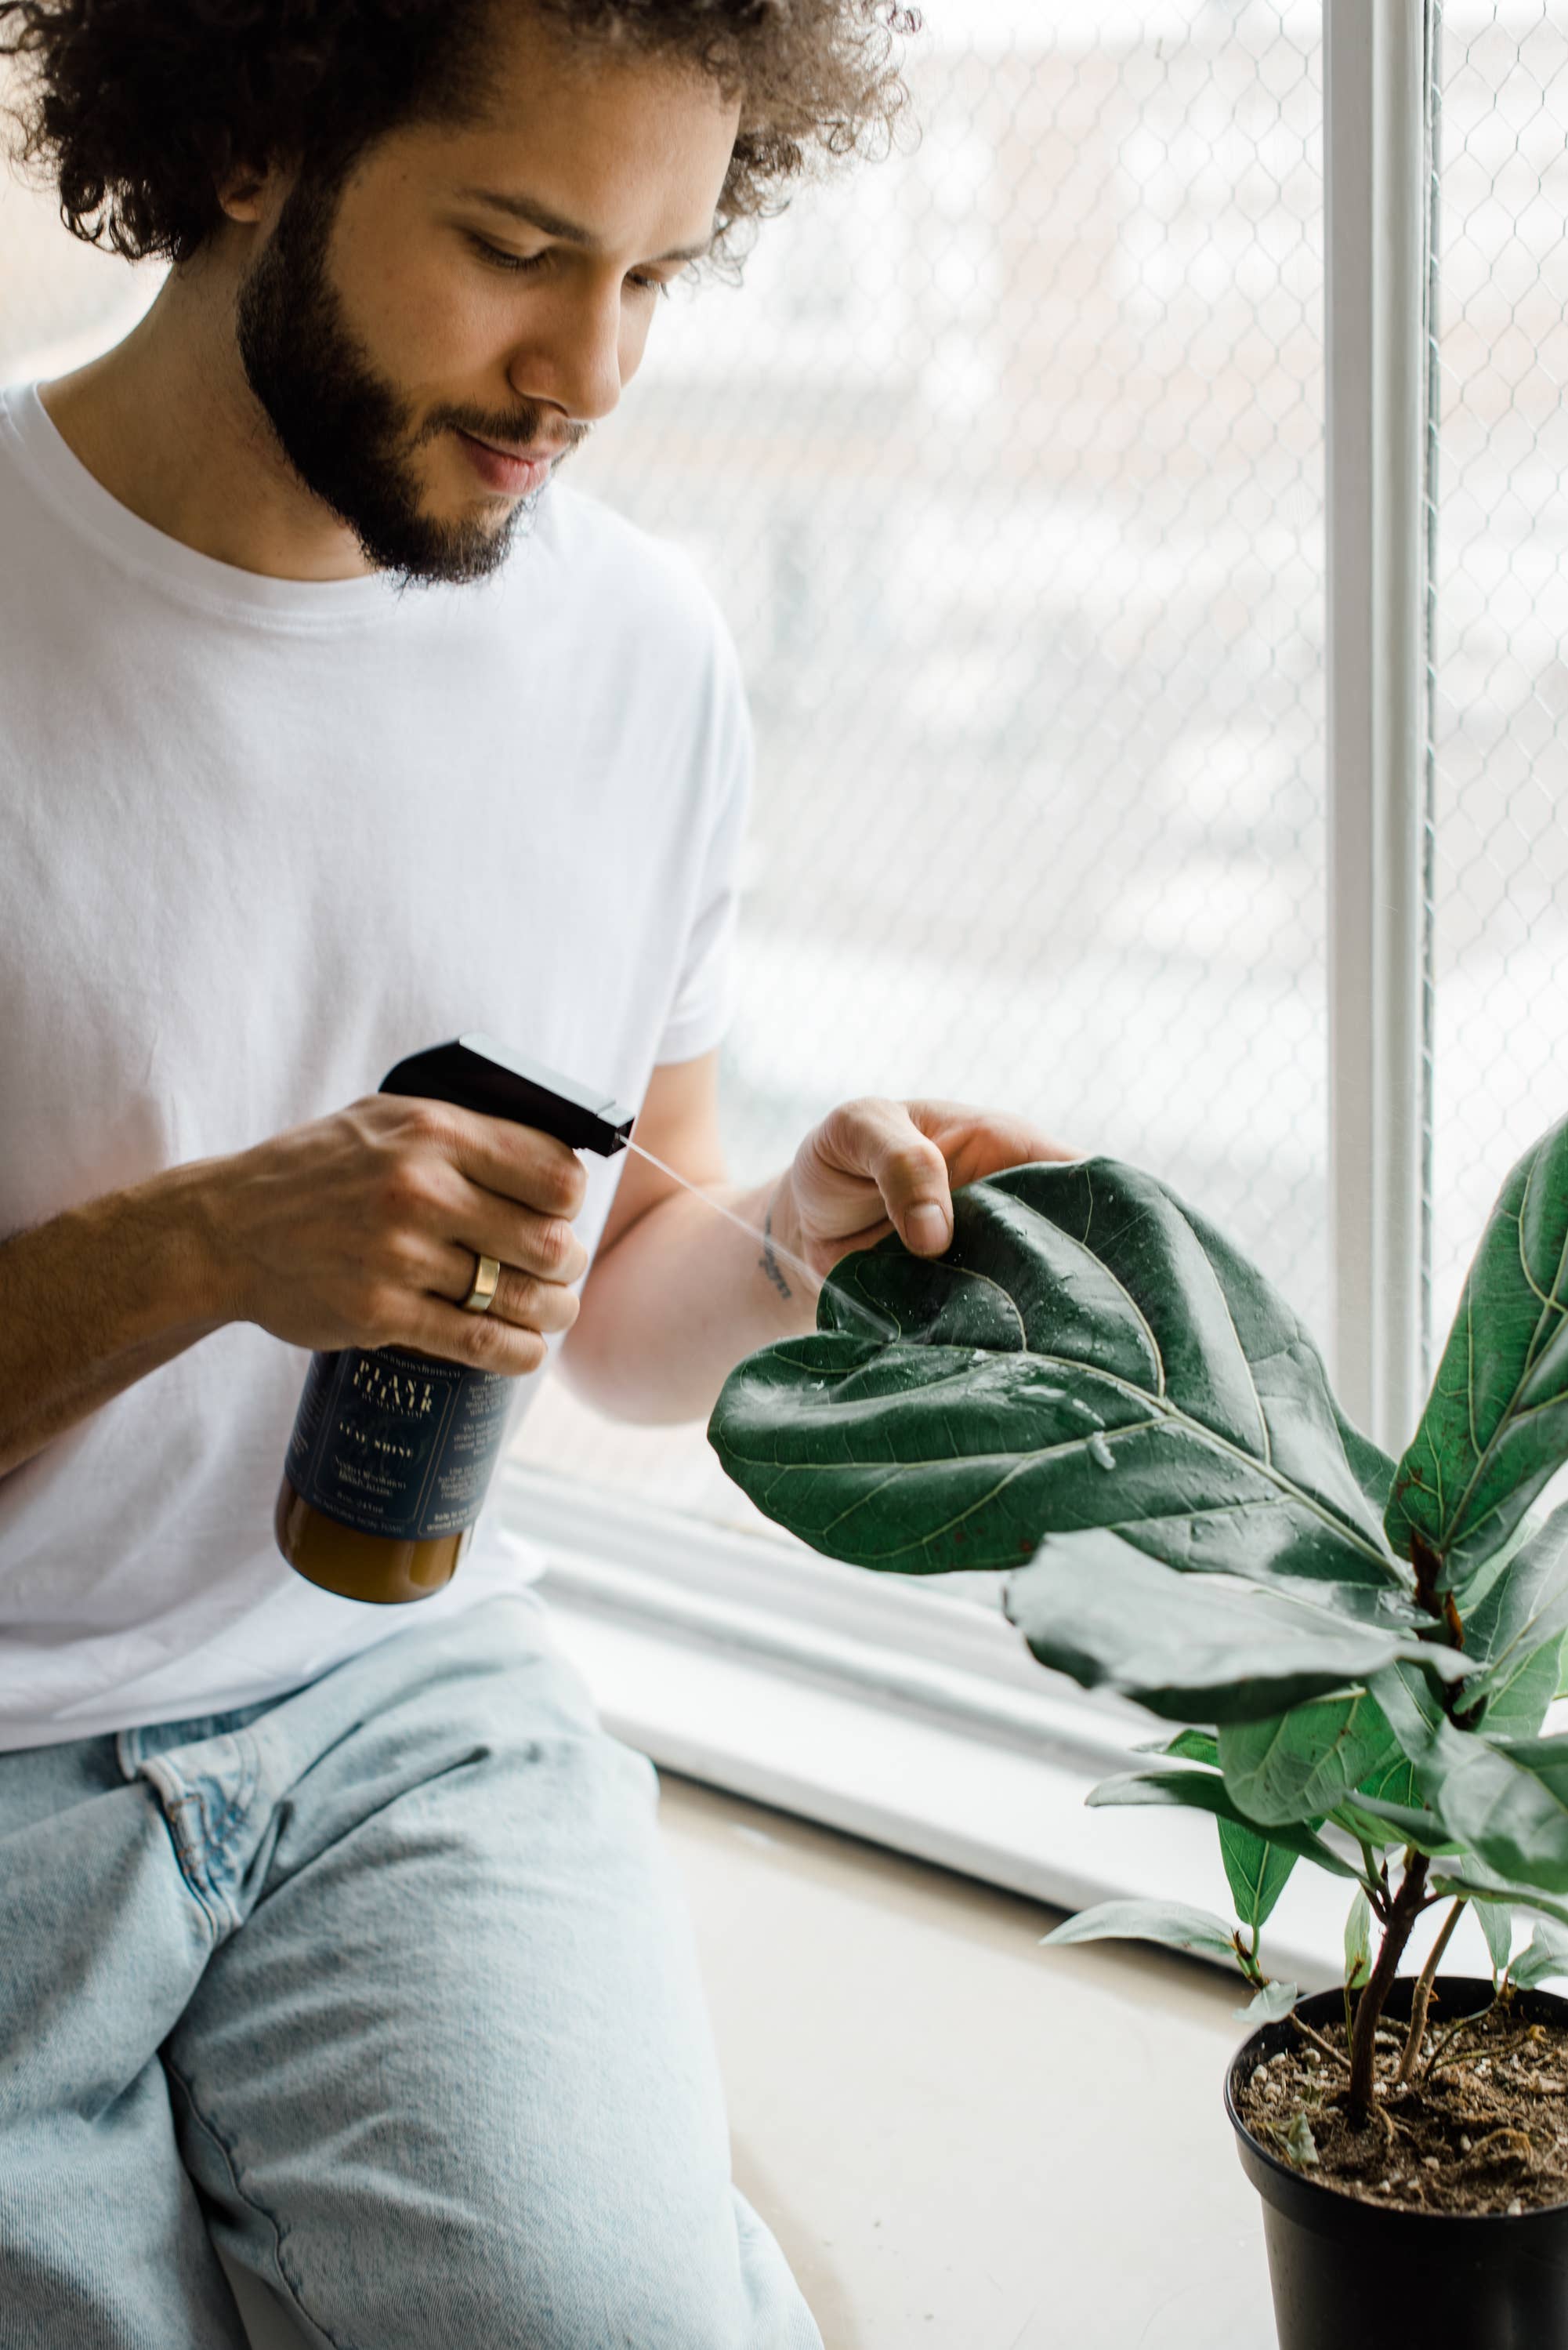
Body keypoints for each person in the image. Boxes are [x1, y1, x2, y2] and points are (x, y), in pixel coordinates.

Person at [0, 2, 1066, 2343]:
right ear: (259, 139)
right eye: (517, 247)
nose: (585, 370)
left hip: (386, 1703)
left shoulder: (635, 650)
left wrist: (784, 1239)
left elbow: (614, 1318)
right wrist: (204, 1245)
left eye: (661, 277)